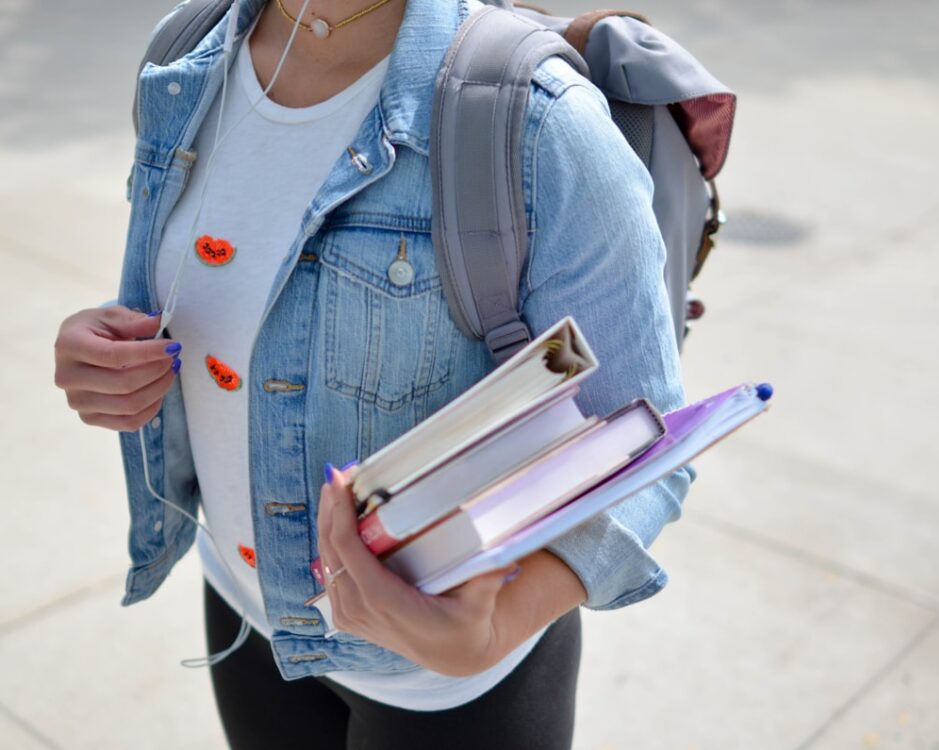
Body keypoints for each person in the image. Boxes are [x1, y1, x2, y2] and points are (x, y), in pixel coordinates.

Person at [53, 0, 691, 746]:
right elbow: (223, 287)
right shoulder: (186, 54)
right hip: (245, 609)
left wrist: (490, 632)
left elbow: (643, 442)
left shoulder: (538, 121)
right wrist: (107, 348)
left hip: (451, 687)